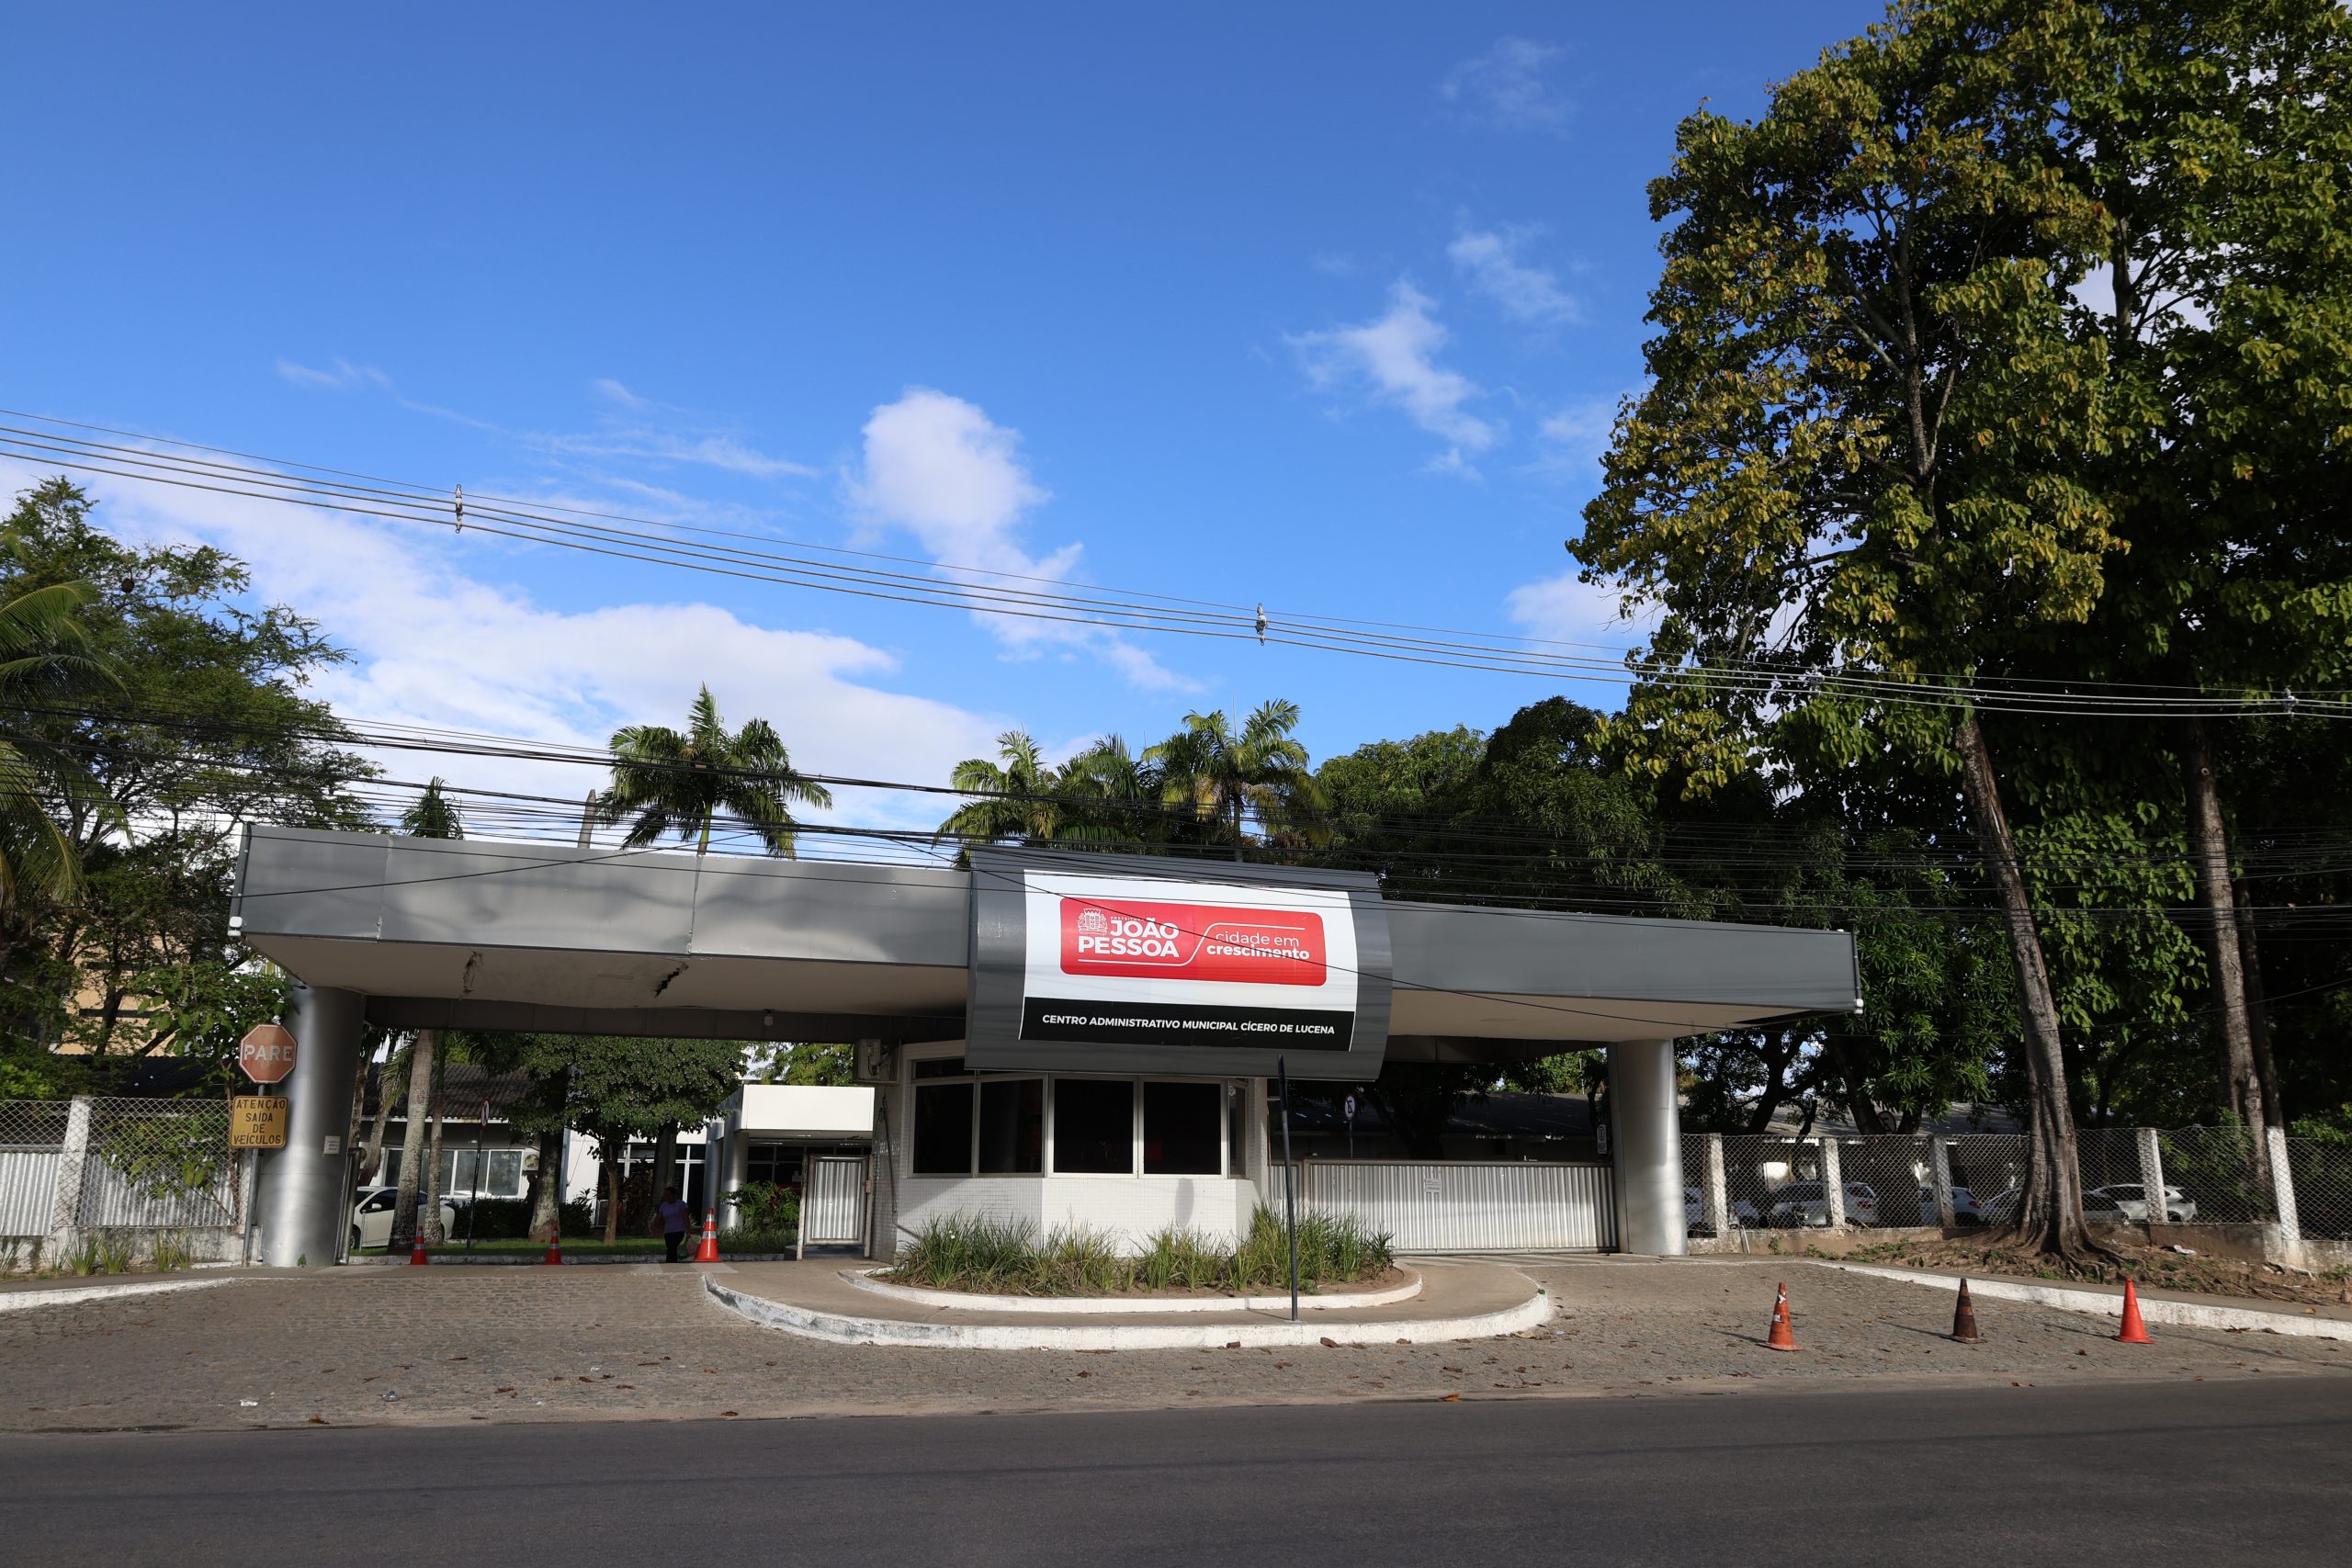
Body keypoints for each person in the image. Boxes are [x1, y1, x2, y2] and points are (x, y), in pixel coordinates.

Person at [656, 1186, 691, 1262]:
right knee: (670, 1248)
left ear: (674, 1195)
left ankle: (669, 1263)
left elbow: (686, 1218)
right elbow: (658, 1217)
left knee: (672, 1247)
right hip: (668, 1232)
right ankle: (673, 1263)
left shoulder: (681, 1204)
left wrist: (688, 1230)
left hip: (679, 1231)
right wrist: (654, 1227)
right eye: (665, 1196)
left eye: (669, 1195)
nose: (667, 1198)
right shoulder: (664, 1205)